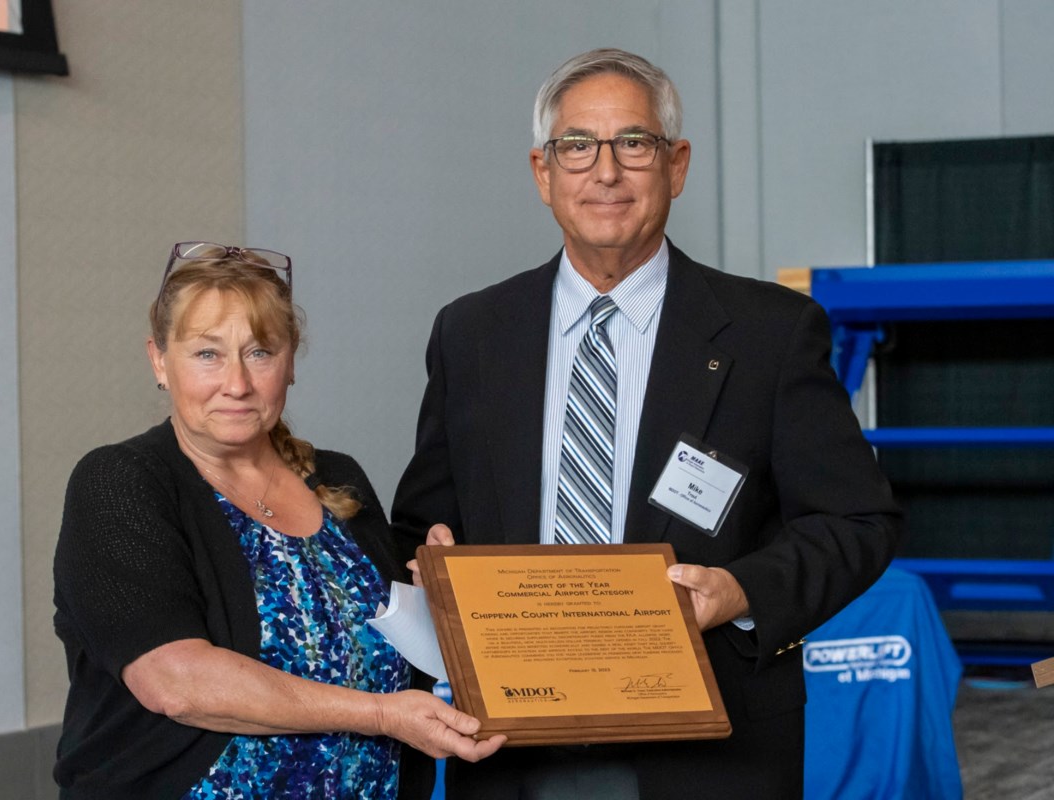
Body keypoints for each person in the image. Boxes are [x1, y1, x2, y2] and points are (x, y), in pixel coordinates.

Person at [392, 49, 903, 798]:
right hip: (514, 749)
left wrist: (738, 591)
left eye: (634, 143)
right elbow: (422, 523)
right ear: (543, 172)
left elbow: (860, 521)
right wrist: (432, 558)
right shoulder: (471, 333)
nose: (606, 172)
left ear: (677, 165)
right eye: (578, 147)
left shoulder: (770, 333)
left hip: (709, 757)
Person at [53, 242, 503, 800]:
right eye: (207, 354)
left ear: (290, 362)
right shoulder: (121, 483)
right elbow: (177, 683)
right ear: (158, 360)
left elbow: (392, 644)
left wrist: (438, 583)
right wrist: (381, 715)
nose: (237, 383)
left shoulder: (338, 479)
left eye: (260, 352)